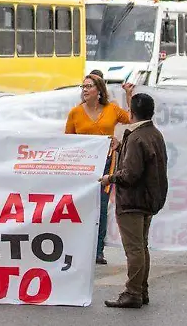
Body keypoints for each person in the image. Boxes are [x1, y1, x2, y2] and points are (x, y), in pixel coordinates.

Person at [99, 92, 168, 309]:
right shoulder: (153, 133)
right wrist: (121, 147)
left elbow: (130, 174)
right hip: (148, 199)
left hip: (133, 201)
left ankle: (133, 292)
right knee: (141, 247)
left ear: (132, 113)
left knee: (134, 249)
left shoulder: (137, 137)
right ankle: (141, 289)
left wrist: (110, 178)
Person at [65, 74, 130, 265]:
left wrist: (128, 95)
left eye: (89, 86)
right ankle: (78, 248)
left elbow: (132, 120)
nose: (85, 90)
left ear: (99, 90)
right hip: (82, 166)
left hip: (106, 163)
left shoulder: (112, 109)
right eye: (83, 86)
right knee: (80, 206)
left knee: (101, 206)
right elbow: (67, 140)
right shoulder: (75, 113)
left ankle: (98, 250)